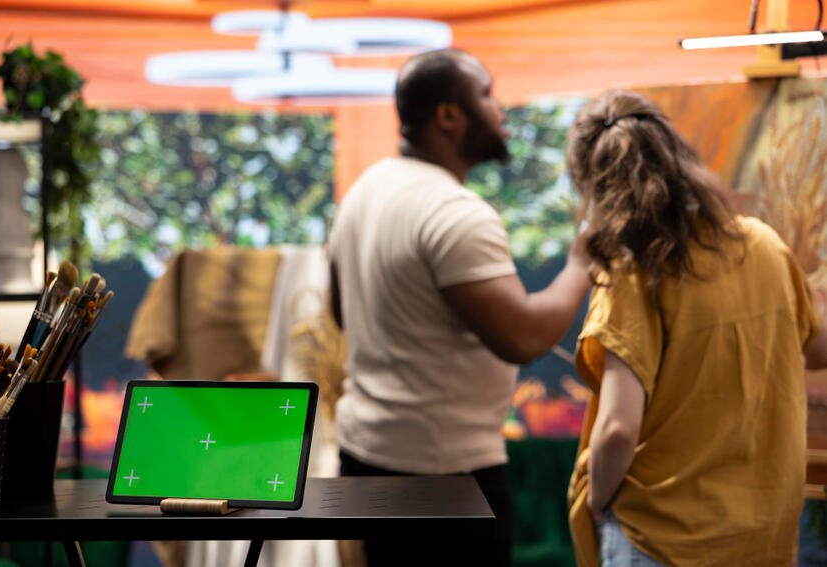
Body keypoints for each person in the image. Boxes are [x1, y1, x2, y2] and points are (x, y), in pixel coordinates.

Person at [327, 47, 592, 567]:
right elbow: (522, 335)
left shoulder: (365, 189)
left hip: (366, 456)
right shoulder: (454, 211)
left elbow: (342, 313)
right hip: (441, 478)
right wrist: (582, 261)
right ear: (449, 115)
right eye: (487, 95)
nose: (500, 108)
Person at [565, 89, 827, 567]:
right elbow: (819, 348)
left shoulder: (633, 275)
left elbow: (619, 428)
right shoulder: (764, 245)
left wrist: (598, 500)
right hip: (762, 537)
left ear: (595, 186)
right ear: (680, 158)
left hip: (662, 537)